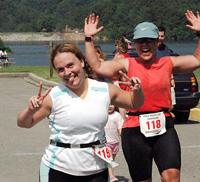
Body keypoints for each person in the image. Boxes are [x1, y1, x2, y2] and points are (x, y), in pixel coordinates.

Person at [84, 10, 200, 182]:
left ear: (157, 42)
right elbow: (97, 67)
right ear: (134, 44)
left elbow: (197, 60)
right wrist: (88, 39)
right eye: (140, 41)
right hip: (135, 130)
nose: (145, 45)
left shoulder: (167, 62)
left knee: (172, 177)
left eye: (150, 40)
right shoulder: (126, 64)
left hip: (164, 127)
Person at [17, 43, 144, 182]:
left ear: (82, 62)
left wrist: (137, 91)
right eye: (60, 69)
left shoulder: (104, 89)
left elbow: (134, 103)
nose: (67, 72)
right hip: (59, 169)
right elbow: (24, 123)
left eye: (70, 65)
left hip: (97, 169)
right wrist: (30, 110)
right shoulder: (53, 96)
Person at [155, 26, 176, 111]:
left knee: (171, 105)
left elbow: (168, 64)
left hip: (166, 80)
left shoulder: (165, 48)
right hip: (155, 81)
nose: (160, 38)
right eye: (158, 36)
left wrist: (172, 78)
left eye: (162, 36)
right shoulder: (150, 48)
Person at [104, 105, 124, 182]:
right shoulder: (103, 115)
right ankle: (111, 176)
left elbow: (120, 129)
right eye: (108, 104)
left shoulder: (117, 115)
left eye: (112, 104)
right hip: (106, 142)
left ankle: (107, 175)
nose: (109, 106)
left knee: (111, 160)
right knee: (109, 160)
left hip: (115, 142)